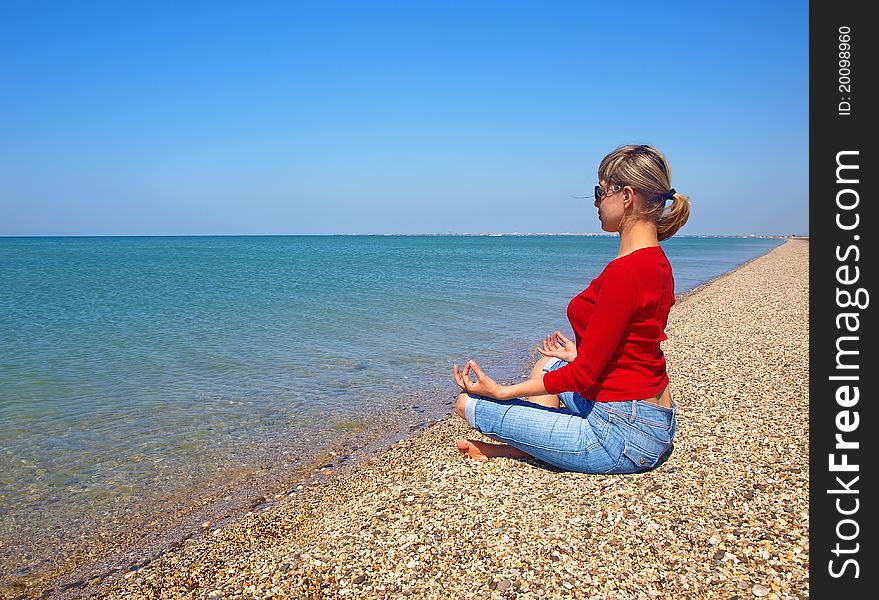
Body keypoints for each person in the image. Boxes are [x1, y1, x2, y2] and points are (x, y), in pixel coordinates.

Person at [452, 144, 691, 474]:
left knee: (468, 404)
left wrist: (503, 390)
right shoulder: (656, 262)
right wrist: (581, 352)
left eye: (600, 191)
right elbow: (635, 341)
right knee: (548, 365)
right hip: (652, 418)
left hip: (620, 438)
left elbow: (585, 375)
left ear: (627, 196)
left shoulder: (625, 273)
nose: (595, 202)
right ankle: (543, 442)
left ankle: (522, 448)